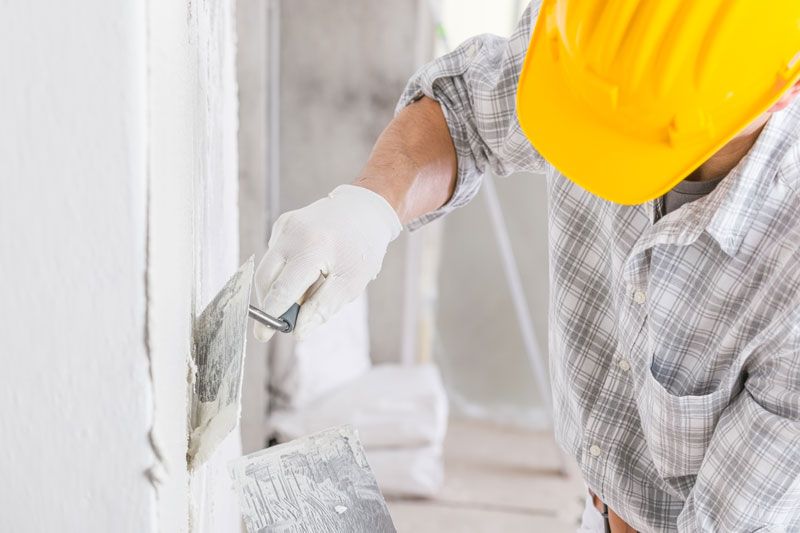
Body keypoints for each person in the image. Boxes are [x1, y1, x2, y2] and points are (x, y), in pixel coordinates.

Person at [253, 1, 800, 531]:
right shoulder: (596, 41)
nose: (600, 151)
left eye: (642, 135)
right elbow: (465, 110)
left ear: (785, 90)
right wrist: (370, 206)